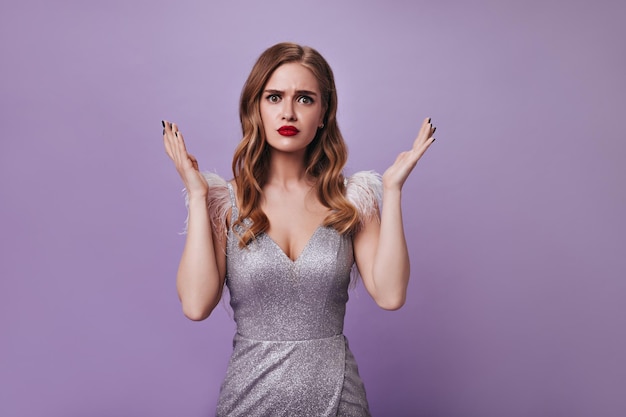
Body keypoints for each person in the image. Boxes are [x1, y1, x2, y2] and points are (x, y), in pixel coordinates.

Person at [162, 42, 435, 417]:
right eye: (274, 97)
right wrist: (196, 195)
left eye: (305, 99)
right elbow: (196, 305)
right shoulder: (223, 202)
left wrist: (392, 190)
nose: (288, 112)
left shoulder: (352, 200)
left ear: (324, 113)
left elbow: (390, 295)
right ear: (256, 107)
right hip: (249, 401)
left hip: (340, 401)